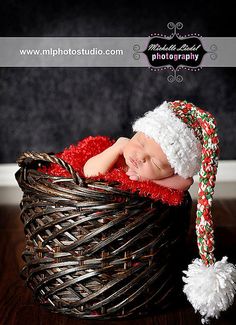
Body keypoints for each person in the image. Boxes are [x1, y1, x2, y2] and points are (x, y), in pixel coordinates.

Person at [83, 131, 194, 191]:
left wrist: (146, 179)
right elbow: (89, 172)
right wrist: (116, 148)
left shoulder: (165, 175)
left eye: (156, 163)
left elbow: (186, 181)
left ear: (172, 172)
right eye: (140, 144)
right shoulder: (119, 157)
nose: (140, 157)